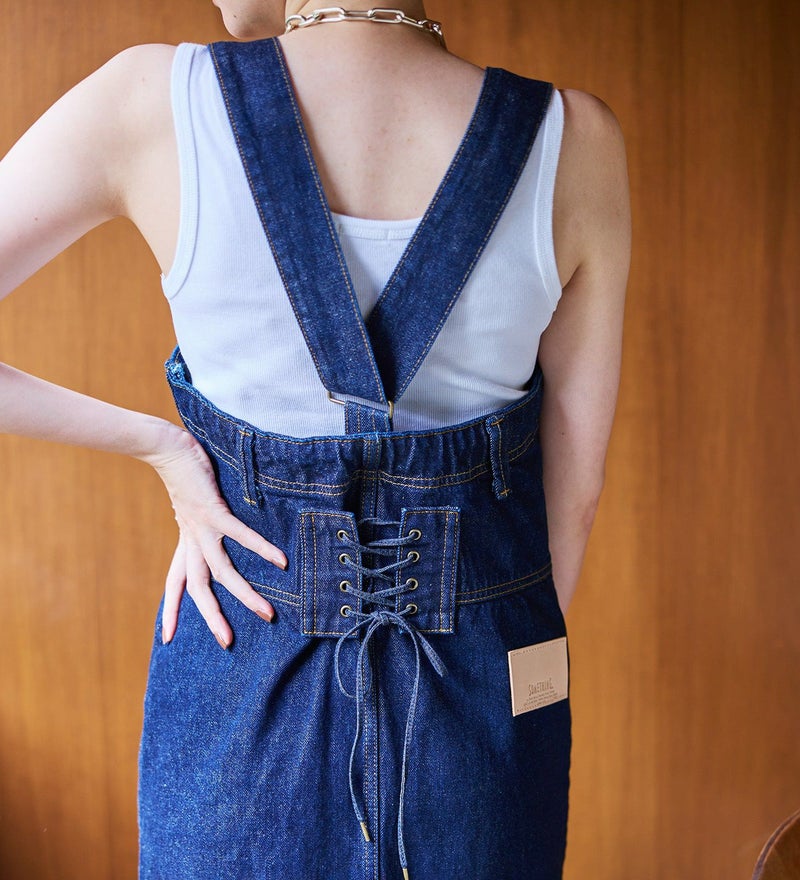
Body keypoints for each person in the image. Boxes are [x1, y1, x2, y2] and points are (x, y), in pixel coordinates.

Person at [0, 1, 630, 878]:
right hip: (484, 676)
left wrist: (164, 448)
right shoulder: (577, 140)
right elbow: (576, 491)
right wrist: (491, 646)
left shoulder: (150, 101)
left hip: (240, 661)